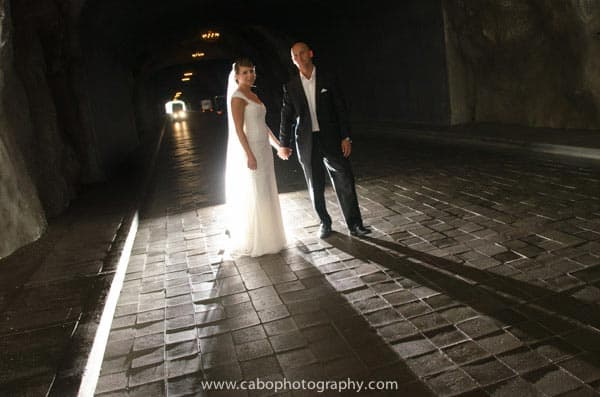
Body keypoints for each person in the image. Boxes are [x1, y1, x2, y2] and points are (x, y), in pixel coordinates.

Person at [278, 42, 371, 238]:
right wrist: (283, 144)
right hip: (306, 142)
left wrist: (346, 136)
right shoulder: (291, 86)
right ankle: (325, 223)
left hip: (332, 138)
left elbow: (340, 108)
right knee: (315, 185)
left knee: (345, 179)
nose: (299, 58)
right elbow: (286, 117)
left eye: (302, 53)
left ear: (311, 53)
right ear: (293, 60)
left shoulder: (328, 78)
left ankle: (355, 225)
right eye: (295, 56)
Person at [225, 58, 286, 256]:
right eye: (244, 72)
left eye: (251, 71)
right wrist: (249, 155)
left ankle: (272, 235)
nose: (250, 75)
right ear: (236, 76)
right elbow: (238, 130)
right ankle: (260, 239)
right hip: (252, 150)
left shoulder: (253, 94)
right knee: (258, 192)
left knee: (267, 190)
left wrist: (278, 146)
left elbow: (263, 125)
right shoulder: (237, 98)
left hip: (265, 150)